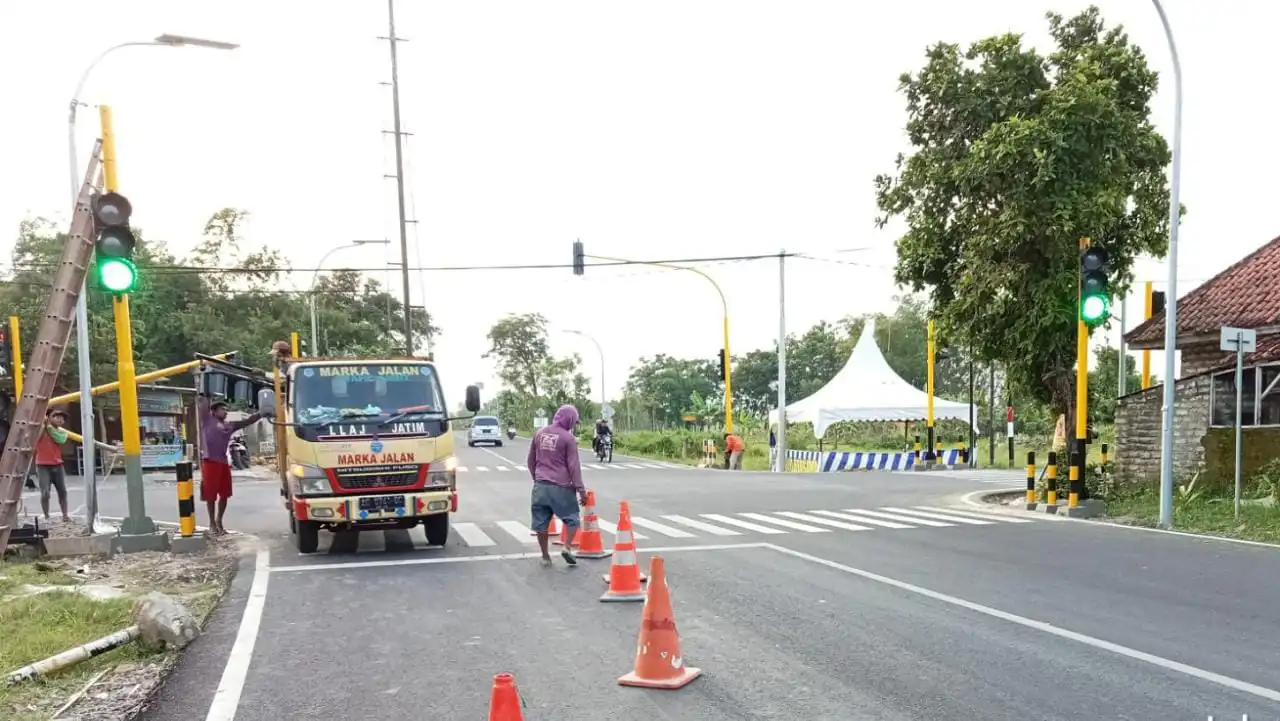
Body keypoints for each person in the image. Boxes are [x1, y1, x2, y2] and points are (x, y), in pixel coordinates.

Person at [527, 404, 588, 567]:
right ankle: (567, 547)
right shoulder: (568, 439)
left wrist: (537, 479)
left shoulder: (539, 433)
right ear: (569, 420)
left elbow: (530, 460)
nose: (574, 425)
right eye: (574, 422)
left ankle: (545, 556)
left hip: (540, 486)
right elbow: (573, 466)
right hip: (561, 487)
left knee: (541, 523)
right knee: (573, 519)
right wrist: (581, 490)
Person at [198, 395, 264, 536]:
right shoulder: (207, 420)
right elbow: (203, 404)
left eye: (226, 409)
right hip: (209, 462)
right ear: (214, 411)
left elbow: (247, 421)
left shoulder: (229, 426)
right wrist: (205, 393)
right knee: (210, 494)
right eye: (222, 409)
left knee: (225, 494)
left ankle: (219, 520)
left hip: (223, 462)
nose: (225, 411)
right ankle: (212, 523)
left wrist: (261, 414)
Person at [34, 409, 71, 522]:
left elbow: (60, 440)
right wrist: (43, 425)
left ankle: (65, 515)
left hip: (58, 464)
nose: (60, 419)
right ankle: (46, 516)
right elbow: (35, 439)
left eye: (62, 418)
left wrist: (49, 427)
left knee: (62, 491)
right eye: (56, 416)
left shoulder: (62, 432)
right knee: (45, 492)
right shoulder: (41, 430)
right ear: (48, 417)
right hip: (42, 465)